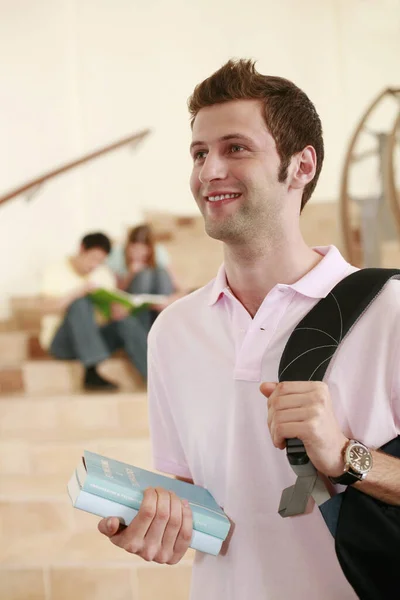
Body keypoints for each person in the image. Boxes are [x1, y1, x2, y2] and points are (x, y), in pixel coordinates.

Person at [98, 59, 400, 599]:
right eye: (199, 153)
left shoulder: (391, 309)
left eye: (235, 148)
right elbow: (199, 494)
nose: (209, 170)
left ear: (301, 165)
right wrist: (153, 520)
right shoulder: (174, 331)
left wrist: (346, 456)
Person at [39, 232, 148, 390]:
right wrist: (77, 292)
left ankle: (153, 376)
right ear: (82, 249)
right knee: (80, 303)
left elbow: (108, 310)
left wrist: (116, 311)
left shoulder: (103, 274)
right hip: (62, 343)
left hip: (95, 338)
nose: (94, 265)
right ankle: (91, 370)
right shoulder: (56, 270)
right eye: (93, 259)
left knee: (125, 322)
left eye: (100, 261)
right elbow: (44, 307)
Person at [109, 223, 182, 331]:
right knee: (144, 275)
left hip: (157, 301)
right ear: (128, 245)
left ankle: (164, 325)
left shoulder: (158, 252)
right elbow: (115, 291)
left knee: (161, 272)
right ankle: (143, 331)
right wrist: (131, 274)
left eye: (143, 250)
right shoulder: (117, 254)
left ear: (150, 249)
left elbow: (178, 287)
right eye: (134, 249)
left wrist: (170, 300)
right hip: (133, 300)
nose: (138, 254)